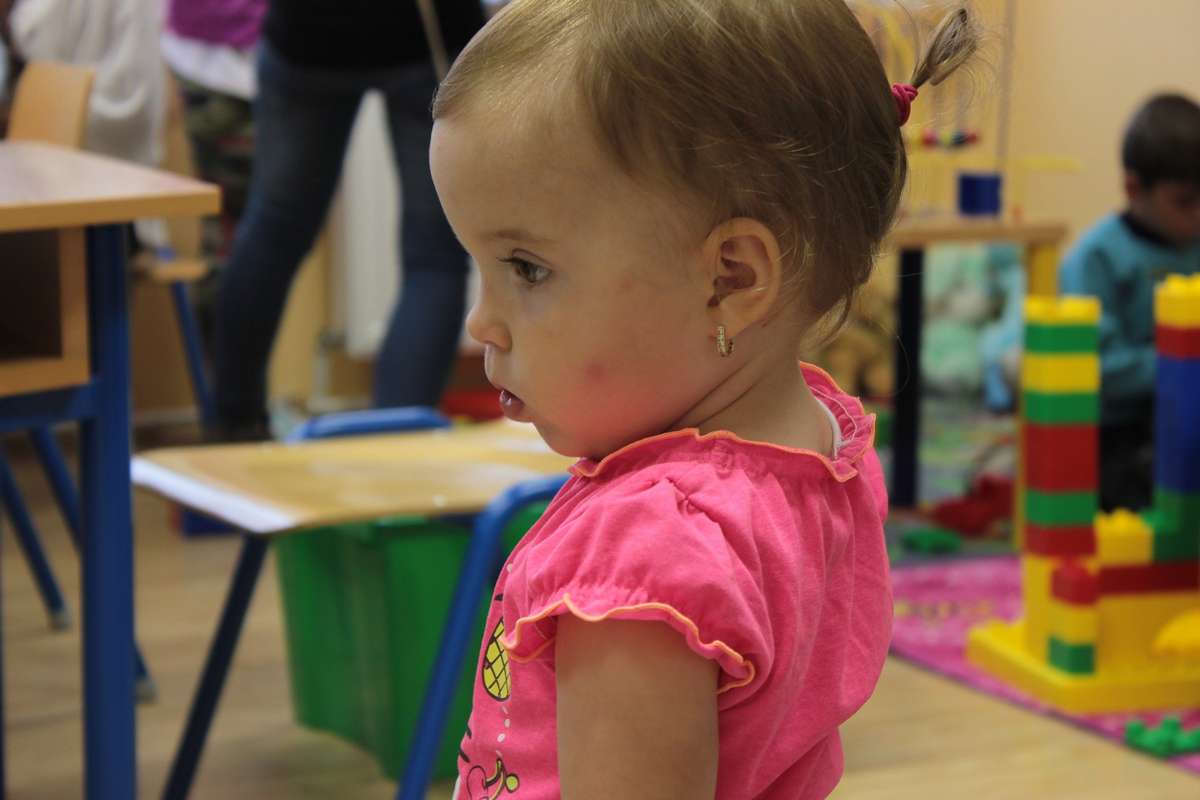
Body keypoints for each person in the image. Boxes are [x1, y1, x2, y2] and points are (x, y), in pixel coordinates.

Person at [430, 2, 977, 797]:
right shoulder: (822, 447)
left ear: (730, 279)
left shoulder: (643, 554)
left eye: (527, 269)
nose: (482, 322)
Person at [210, 0, 487, 441]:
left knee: (274, 230)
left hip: (309, 33)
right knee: (435, 259)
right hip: (428, 31)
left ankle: (233, 428)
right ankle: (397, 449)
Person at [1059, 94, 1200, 512]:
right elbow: (1098, 368)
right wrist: (1179, 368)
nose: (1199, 214)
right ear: (1133, 188)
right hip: (1119, 432)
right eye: (1185, 202)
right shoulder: (1097, 257)